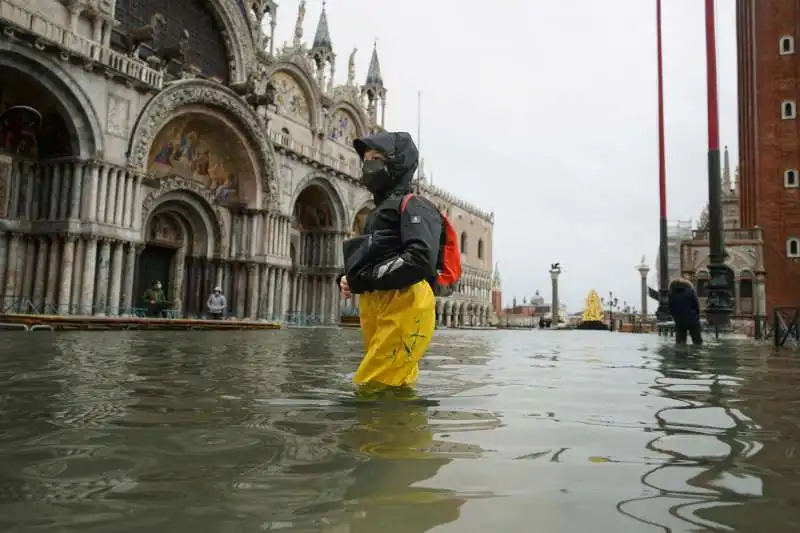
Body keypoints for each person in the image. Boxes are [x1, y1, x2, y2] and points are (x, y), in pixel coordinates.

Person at [338, 131, 445, 394]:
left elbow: (420, 258)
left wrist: (364, 278)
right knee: (392, 381)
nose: (368, 166)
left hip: (404, 301)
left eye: (376, 158)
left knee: (375, 386)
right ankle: (398, 432)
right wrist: (347, 277)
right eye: (365, 160)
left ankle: (380, 433)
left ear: (397, 163)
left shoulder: (415, 206)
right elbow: (376, 254)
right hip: (379, 303)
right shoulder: (377, 212)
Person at [667, 277, 703, 345]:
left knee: (680, 343)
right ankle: (696, 355)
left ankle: (682, 354)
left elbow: (670, 308)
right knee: (697, 342)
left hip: (679, 320)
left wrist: (675, 316)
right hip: (693, 319)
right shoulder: (690, 291)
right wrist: (697, 315)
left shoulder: (671, 293)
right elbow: (696, 305)